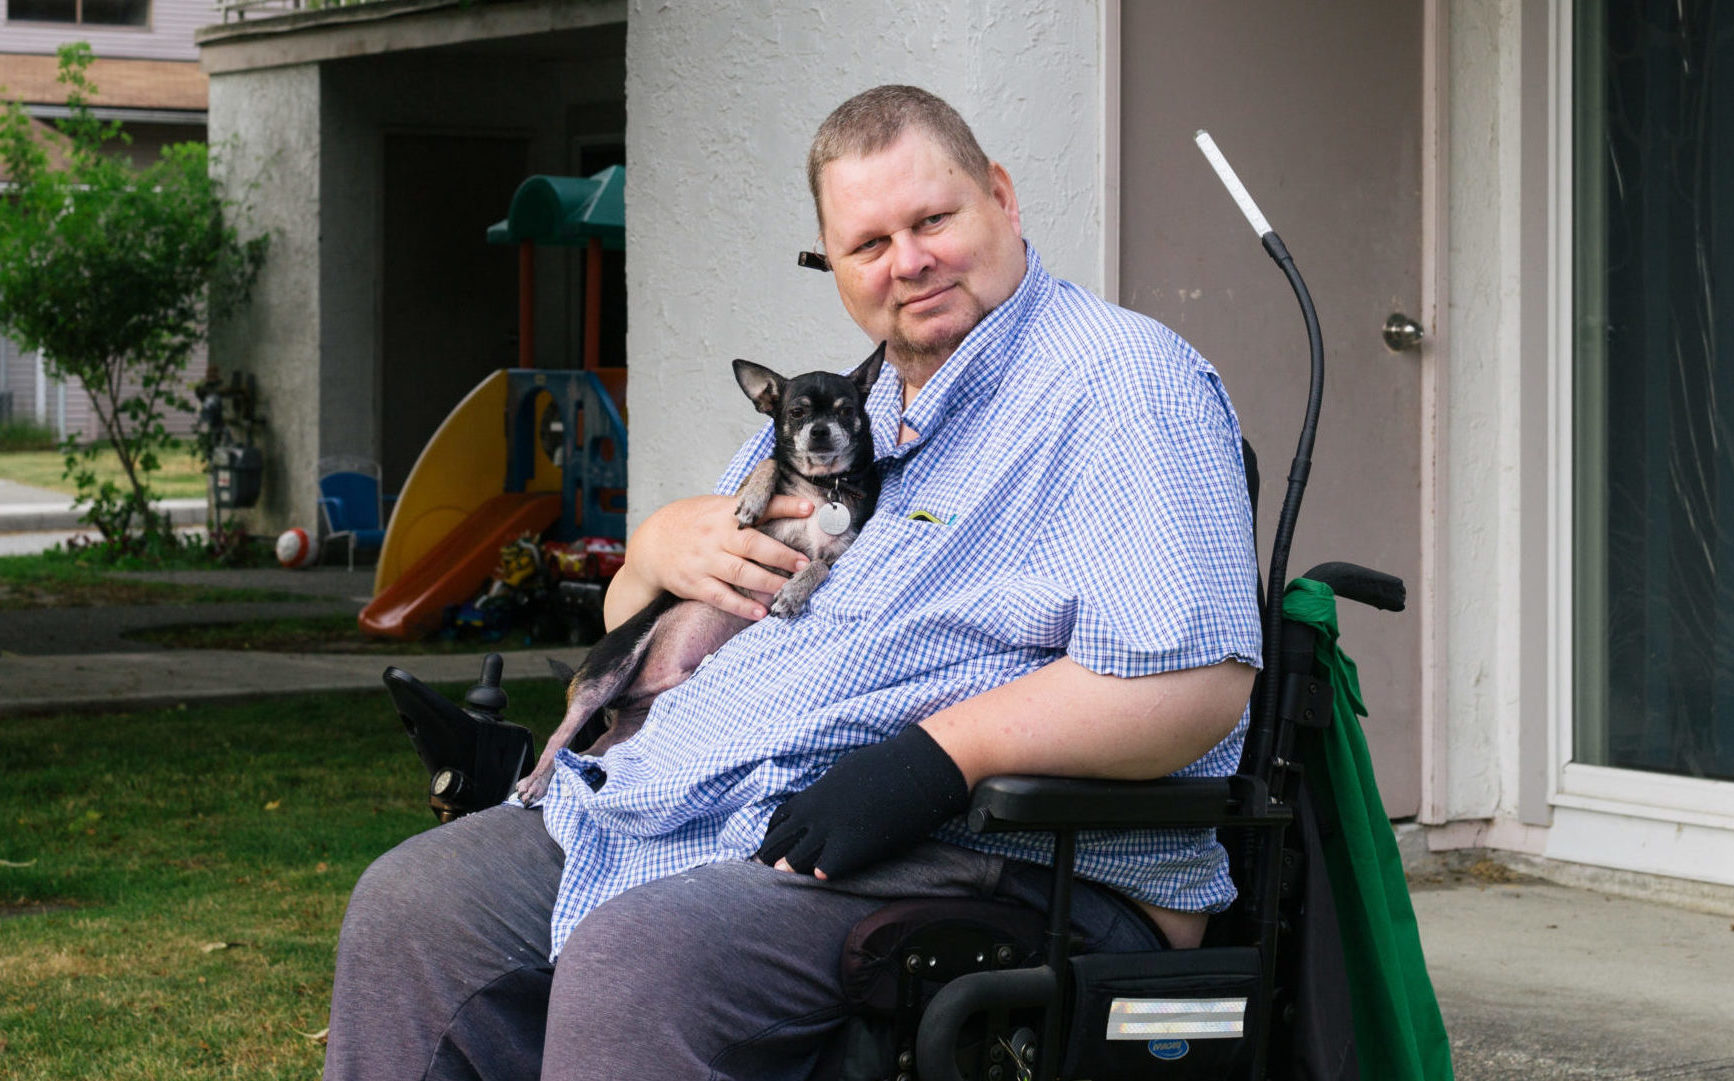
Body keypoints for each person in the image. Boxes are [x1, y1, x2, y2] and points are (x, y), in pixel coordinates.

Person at [323, 84, 1261, 1081]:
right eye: (866, 245)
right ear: (835, 263)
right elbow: (646, 629)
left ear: (1001, 196)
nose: (907, 262)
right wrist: (650, 557)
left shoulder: (1120, 383)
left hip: (987, 856)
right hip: (703, 808)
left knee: (644, 960)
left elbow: (1196, 683)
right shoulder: (846, 409)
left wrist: (939, 758)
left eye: (932, 219)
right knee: (415, 908)